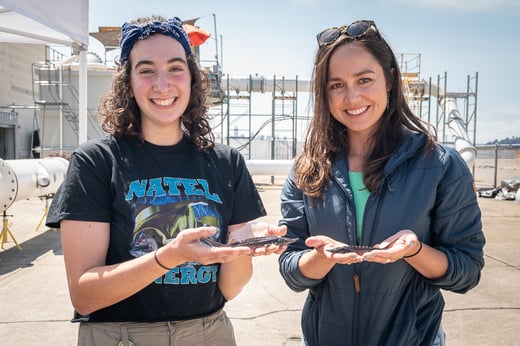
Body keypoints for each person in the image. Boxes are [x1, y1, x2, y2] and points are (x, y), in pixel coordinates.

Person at [46, 15, 287, 346]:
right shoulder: (96, 161)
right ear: (127, 81)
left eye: (175, 68)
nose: (162, 84)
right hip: (120, 336)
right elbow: (85, 295)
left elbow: (229, 288)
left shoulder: (225, 162)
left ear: (191, 78)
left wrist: (242, 245)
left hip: (209, 332)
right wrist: (169, 256)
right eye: (146, 70)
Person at [278, 19, 485, 346]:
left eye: (364, 79)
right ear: (324, 94)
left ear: (389, 80)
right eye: (336, 85)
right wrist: (323, 257)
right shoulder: (307, 171)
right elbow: (291, 270)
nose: (351, 97)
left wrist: (413, 250)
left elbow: (467, 270)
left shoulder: (440, 166)